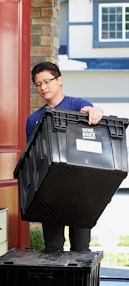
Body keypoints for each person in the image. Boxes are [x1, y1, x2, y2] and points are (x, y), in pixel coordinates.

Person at [26, 62, 104, 252]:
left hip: (82, 189)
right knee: (52, 248)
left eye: (47, 81)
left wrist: (95, 111)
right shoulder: (34, 119)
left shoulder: (76, 105)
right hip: (50, 191)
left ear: (59, 80)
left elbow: (89, 110)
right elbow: (32, 156)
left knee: (81, 248)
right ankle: (57, 282)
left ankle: (80, 283)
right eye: (38, 84)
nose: (43, 87)